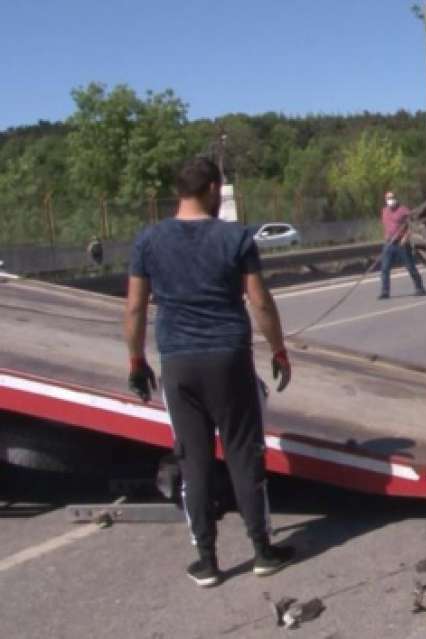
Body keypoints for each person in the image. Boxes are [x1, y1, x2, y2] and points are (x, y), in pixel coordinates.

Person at [124, 157, 295, 588]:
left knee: (193, 460)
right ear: (213, 189)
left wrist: (135, 361)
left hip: (178, 362)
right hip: (228, 359)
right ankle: (261, 551)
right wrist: (278, 350)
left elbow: (134, 307)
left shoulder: (148, 240)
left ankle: (207, 561)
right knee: (242, 452)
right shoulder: (235, 237)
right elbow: (259, 301)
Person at [379, 191, 426, 299]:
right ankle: (385, 291)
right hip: (389, 244)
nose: (390, 200)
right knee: (385, 268)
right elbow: (386, 225)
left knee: (410, 266)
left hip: (401, 243)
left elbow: (412, 224)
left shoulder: (403, 210)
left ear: (396, 198)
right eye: (388, 198)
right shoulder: (384, 211)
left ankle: (419, 287)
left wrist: (406, 237)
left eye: (392, 197)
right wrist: (386, 235)